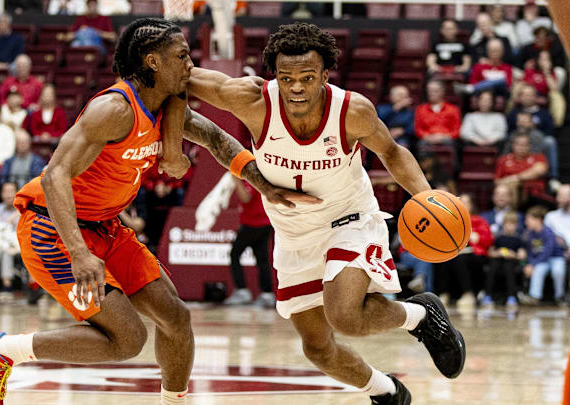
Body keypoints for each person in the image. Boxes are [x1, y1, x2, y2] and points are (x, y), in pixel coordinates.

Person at [0, 18, 311, 405]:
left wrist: (263, 184)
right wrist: (78, 252)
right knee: (127, 340)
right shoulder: (113, 109)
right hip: (54, 230)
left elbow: (216, 138)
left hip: (106, 228)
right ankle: (0, 350)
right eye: (181, 57)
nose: (190, 66)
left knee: (176, 319)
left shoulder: (165, 109)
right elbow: (53, 177)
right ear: (153, 62)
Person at [178, 22, 466, 403]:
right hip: (294, 235)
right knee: (317, 348)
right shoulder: (252, 101)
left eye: (307, 78)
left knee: (345, 316)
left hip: (349, 218)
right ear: (275, 76)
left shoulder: (351, 110)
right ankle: (386, 390)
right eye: (287, 78)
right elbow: (180, 75)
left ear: (325, 75)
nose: (296, 87)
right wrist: (142, 56)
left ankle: (421, 317)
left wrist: (427, 198)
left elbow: (393, 152)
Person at [434, 193, 492, 310]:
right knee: (443, 259)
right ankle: (444, 293)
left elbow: (488, 240)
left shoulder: (478, 220)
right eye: (461, 203)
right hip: (455, 253)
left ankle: (468, 294)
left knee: (459, 259)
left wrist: (477, 237)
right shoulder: (450, 221)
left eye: (466, 203)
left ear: (471, 205)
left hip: (475, 253)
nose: (463, 205)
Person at [223, 177, 274, 308]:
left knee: (235, 254)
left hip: (253, 223)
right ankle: (267, 294)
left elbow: (246, 198)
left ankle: (242, 291)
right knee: (262, 259)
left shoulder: (250, 179)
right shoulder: (258, 175)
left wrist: (236, 180)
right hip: (264, 222)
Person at [521, 206, 566, 305]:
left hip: (555, 258)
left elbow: (547, 252)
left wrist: (533, 264)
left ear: (538, 220)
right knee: (538, 270)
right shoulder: (528, 234)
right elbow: (529, 251)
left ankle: (560, 296)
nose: (526, 222)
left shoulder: (548, 232)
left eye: (528, 219)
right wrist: (530, 264)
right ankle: (534, 296)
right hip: (541, 260)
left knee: (558, 271)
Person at [504, 111, 559, 189]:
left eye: (524, 121)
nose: (521, 124)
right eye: (519, 121)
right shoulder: (513, 134)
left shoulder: (537, 135)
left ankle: (553, 177)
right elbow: (505, 153)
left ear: (531, 123)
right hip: (514, 164)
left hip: (529, 166)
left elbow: (535, 157)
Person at [0, 182, 21, 303]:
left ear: (17, 193)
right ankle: (7, 285)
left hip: (18, 244)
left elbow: (21, 232)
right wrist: (11, 219)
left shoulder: (23, 210)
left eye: (11, 191)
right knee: (4, 246)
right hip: (2, 242)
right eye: (5, 191)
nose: (8, 195)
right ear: (1, 194)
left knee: (3, 244)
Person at [483, 211, 524, 311]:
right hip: (497, 261)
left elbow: (522, 255)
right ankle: (487, 295)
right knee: (492, 267)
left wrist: (513, 254)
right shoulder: (498, 238)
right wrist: (499, 253)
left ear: (516, 225)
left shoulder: (518, 239)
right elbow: (490, 252)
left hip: (511, 263)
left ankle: (511, 296)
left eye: (513, 224)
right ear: (503, 224)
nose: (510, 226)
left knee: (509, 267)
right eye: (507, 224)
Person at [495, 133, 548, 197]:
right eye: (519, 145)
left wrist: (515, 178)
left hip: (533, 195)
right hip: (510, 192)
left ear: (530, 146)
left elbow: (539, 170)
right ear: (513, 145)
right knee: (506, 188)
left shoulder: (538, 157)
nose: (522, 148)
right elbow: (497, 181)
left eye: (525, 145)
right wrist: (509, 182)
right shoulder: (504, 159)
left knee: (513, 184)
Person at [414, 80, 461, 147]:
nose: (431, 93)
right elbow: (418, 129)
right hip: (427, 139)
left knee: (451, 143)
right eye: (429, 91)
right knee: (421, 144)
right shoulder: (420, 109)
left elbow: (456, 130)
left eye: (435, 91)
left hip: (446, 139)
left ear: (442, 92)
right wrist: (428, 137)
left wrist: (445, 137)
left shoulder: (453, 109)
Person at [545, 184, 570, 250]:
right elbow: (546, 237)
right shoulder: (550, 216)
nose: (557, 199)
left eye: (561, 196)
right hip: (558, 253)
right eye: (557, 195)